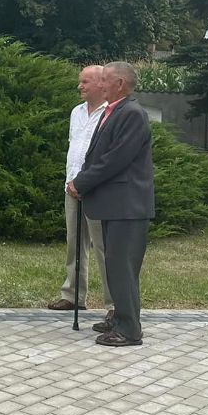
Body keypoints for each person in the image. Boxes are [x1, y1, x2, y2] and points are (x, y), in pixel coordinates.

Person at [68, 61, 154, 347]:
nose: (99, 84)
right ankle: (119, 318)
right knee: (116, 264)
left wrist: (81, 182)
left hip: (127, 206)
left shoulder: (131, 114)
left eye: (104, 80)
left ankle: (129, 329)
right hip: (114, 204)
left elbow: (114, 160)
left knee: (122, 266)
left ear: (119, 84)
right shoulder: (113, 111)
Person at [48, 65, 112, 316]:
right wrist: (72, 182)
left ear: (100, 84)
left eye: (85, 82)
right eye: (80, 82)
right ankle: (73, 295)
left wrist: (86, 182)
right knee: (74, 243)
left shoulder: (110, 113)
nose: (80, 86)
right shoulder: (76, 112)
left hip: (96, 189)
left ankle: (113, 304)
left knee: (103, 247)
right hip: (71, 186)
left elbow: (106, 157)